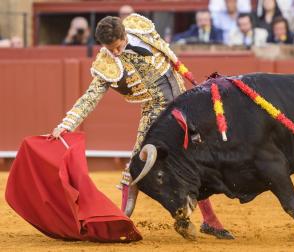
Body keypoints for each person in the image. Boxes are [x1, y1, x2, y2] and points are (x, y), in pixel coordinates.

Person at [50, 15, 233, 239]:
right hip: (156, 112)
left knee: (196, 163)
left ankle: (210, 221)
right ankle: (122, 220)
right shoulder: (107, 62)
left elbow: (168, 56)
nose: (115, 53)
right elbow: (90, 97)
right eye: (110, 49)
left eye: (117, 47)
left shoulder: (140, 28)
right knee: (136, 165)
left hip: (184, 104)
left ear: (124, 34)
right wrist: (66, 124)